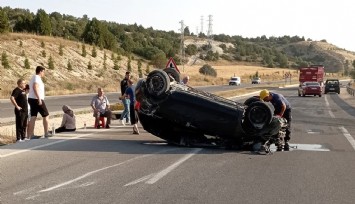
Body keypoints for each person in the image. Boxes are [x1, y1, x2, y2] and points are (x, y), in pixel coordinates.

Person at [27, 66, 51, 139]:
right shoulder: (37, 77)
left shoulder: (34, 77)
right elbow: (35, 87)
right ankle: (46, 133)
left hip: (32, 99)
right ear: (40, 71)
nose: (44, 73)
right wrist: (39, 98)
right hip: (36, 99)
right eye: (43, 72)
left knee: (33, 116)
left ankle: (30, 135)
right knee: (46, 115)